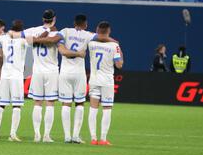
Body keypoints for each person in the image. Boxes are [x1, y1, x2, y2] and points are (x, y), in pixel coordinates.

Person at [9, 10, 85, 142]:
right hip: (52, 71)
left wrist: (33, 39)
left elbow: (13, 35)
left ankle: (37, 134)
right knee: (50, 104)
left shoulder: (32, 30)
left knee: (37, 104)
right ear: (54, 19)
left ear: (43, 19)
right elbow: (59, 48)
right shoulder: (58, 33)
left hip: (37, 71)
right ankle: (46, 135)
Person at [57, 14, 116, 144]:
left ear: (74, 23)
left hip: (65, 72)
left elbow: (62, 50)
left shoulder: (65, 31)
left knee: (66, 104)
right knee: (79, 103)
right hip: (79, 73)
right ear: (85, 24)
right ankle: (76, 136)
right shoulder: (88, 35)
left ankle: (67, 136)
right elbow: (102, 37)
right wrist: (115, 42)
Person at [0, 20, 28, 142]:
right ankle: (12, 134)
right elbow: (36, 41)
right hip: (16, 76)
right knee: (16, 106)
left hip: (5, 75)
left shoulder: (3, 38)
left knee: (1, 105)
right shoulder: (23, 40)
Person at [88, 21, 124, 146]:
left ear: (97, 30)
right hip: (107, 81)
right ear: (109, 31)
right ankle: (103, 139)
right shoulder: (114, 46)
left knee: (93, 109)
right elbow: (119, 65)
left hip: (94, 80)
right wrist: (118, 46)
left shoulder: (91, 43)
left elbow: (93, 36)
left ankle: (93, 138)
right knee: (107, 109)